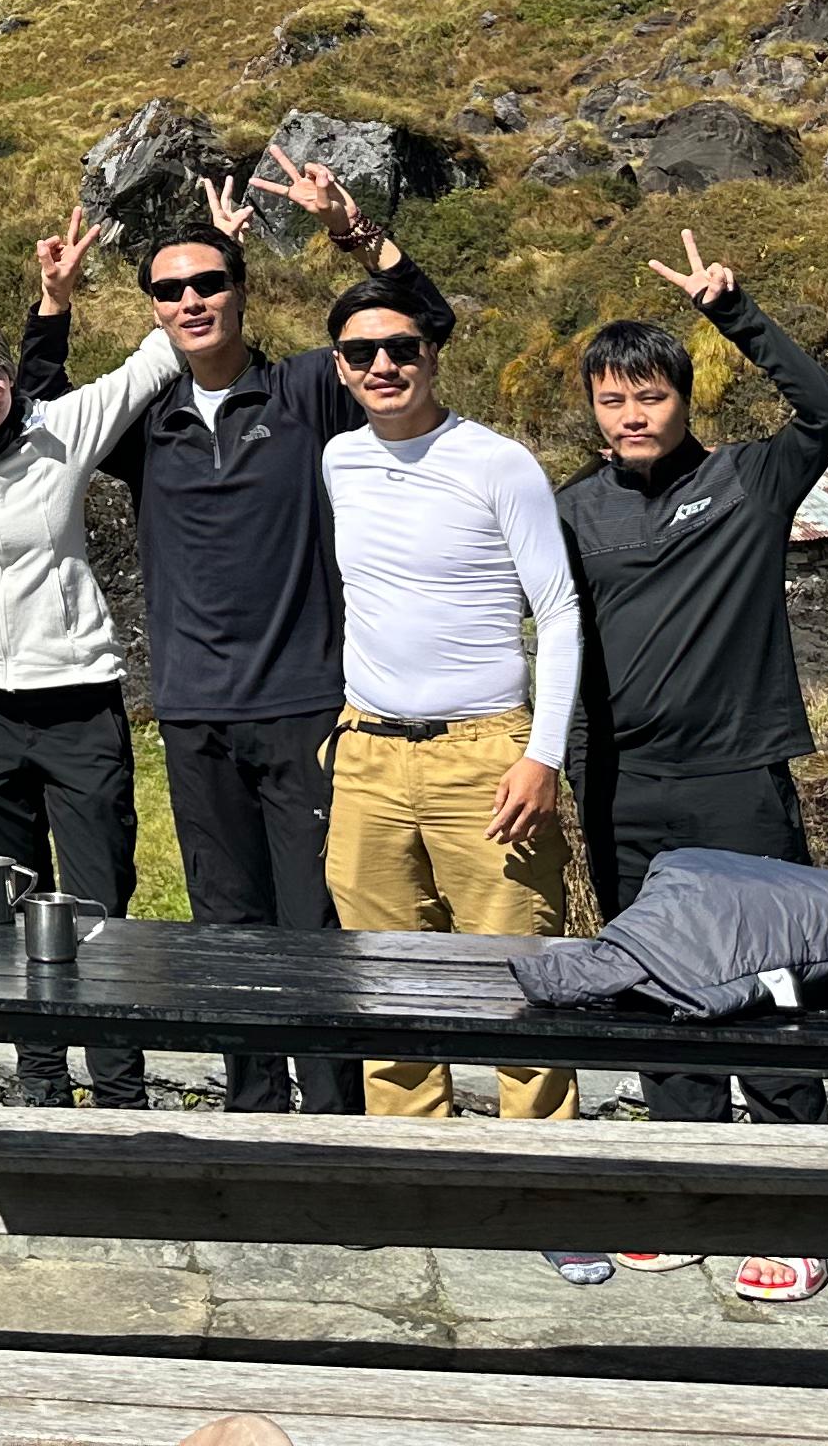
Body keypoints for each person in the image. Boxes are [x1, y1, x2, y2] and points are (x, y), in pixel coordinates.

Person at [558, 228, 828, 1306]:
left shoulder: (750, 482)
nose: (632, 416)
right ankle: (690, 1203)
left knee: (764, 998)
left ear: (684, 399)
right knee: (660, 1002)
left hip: (737, 781)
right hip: (622, 791)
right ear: (593, 412)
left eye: (649, 396)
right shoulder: (575, 510)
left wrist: (736, 311)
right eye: (612, 401)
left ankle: (796, 1217)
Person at [93, 152, 403, 1117]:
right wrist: (52, 305)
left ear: (240, 288)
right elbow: (37, 419)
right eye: (170, 290)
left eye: (210, 281)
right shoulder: (145, 424)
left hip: (305, 703)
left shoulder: (309, 391)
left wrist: (355, 237)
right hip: (193, 713)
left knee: (316, 923)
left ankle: (336, 1122)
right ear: (152, 309)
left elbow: (408, 330)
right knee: (228, 926)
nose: (192, 300)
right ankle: (256, 1116)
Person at [0, 205, 180, 1110]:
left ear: (11, 378)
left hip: (80, 700)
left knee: (99, 904)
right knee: (7, 911)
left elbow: (157, 359)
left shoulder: (67, 427)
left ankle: (120, 1088)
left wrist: (206, 257)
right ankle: (40, 1079)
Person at [314, 268, 585, 1149]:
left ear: (433, 355)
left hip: (489, 755)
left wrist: (544, 755)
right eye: (363, 352)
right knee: (388, 983)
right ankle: (414, 1170)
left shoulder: (499, 462)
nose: (384, 364)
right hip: (369, 755)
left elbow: (560, 609)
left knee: (521, 978)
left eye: (402, 347)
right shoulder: (338, 458)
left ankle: (545, 1178)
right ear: (341, 366)